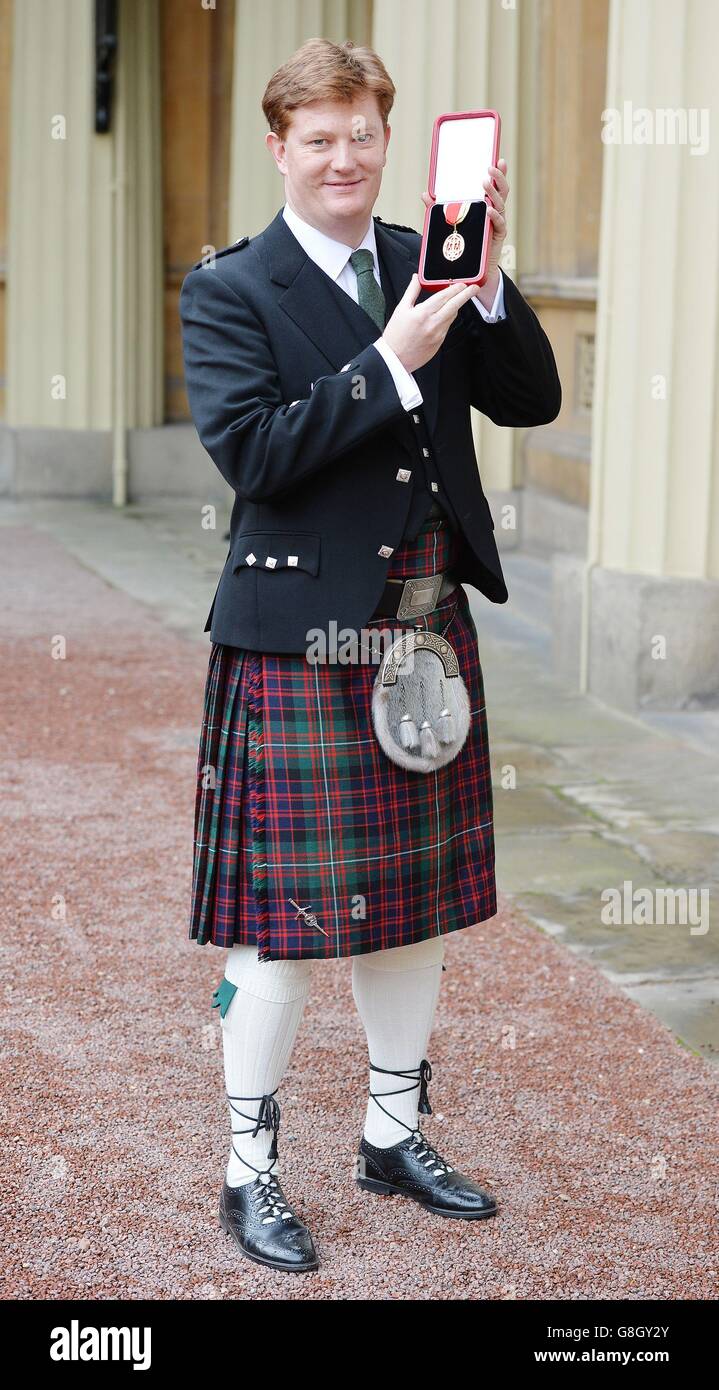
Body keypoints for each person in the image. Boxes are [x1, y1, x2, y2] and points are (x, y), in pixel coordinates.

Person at [179, 37, 561, 1274]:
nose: (345, 158)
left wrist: (487, 282)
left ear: (388, 140)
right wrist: (387, 363)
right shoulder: (230, 289)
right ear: (280, 148)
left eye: (363, 134)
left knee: (410, 916)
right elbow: (254, 455)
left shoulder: (423, 258)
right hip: (299, 640)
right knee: (283, 929)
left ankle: (391, 1134)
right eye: (319, 138)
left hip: (423, 627)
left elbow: (529, 401)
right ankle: (250, 1170)